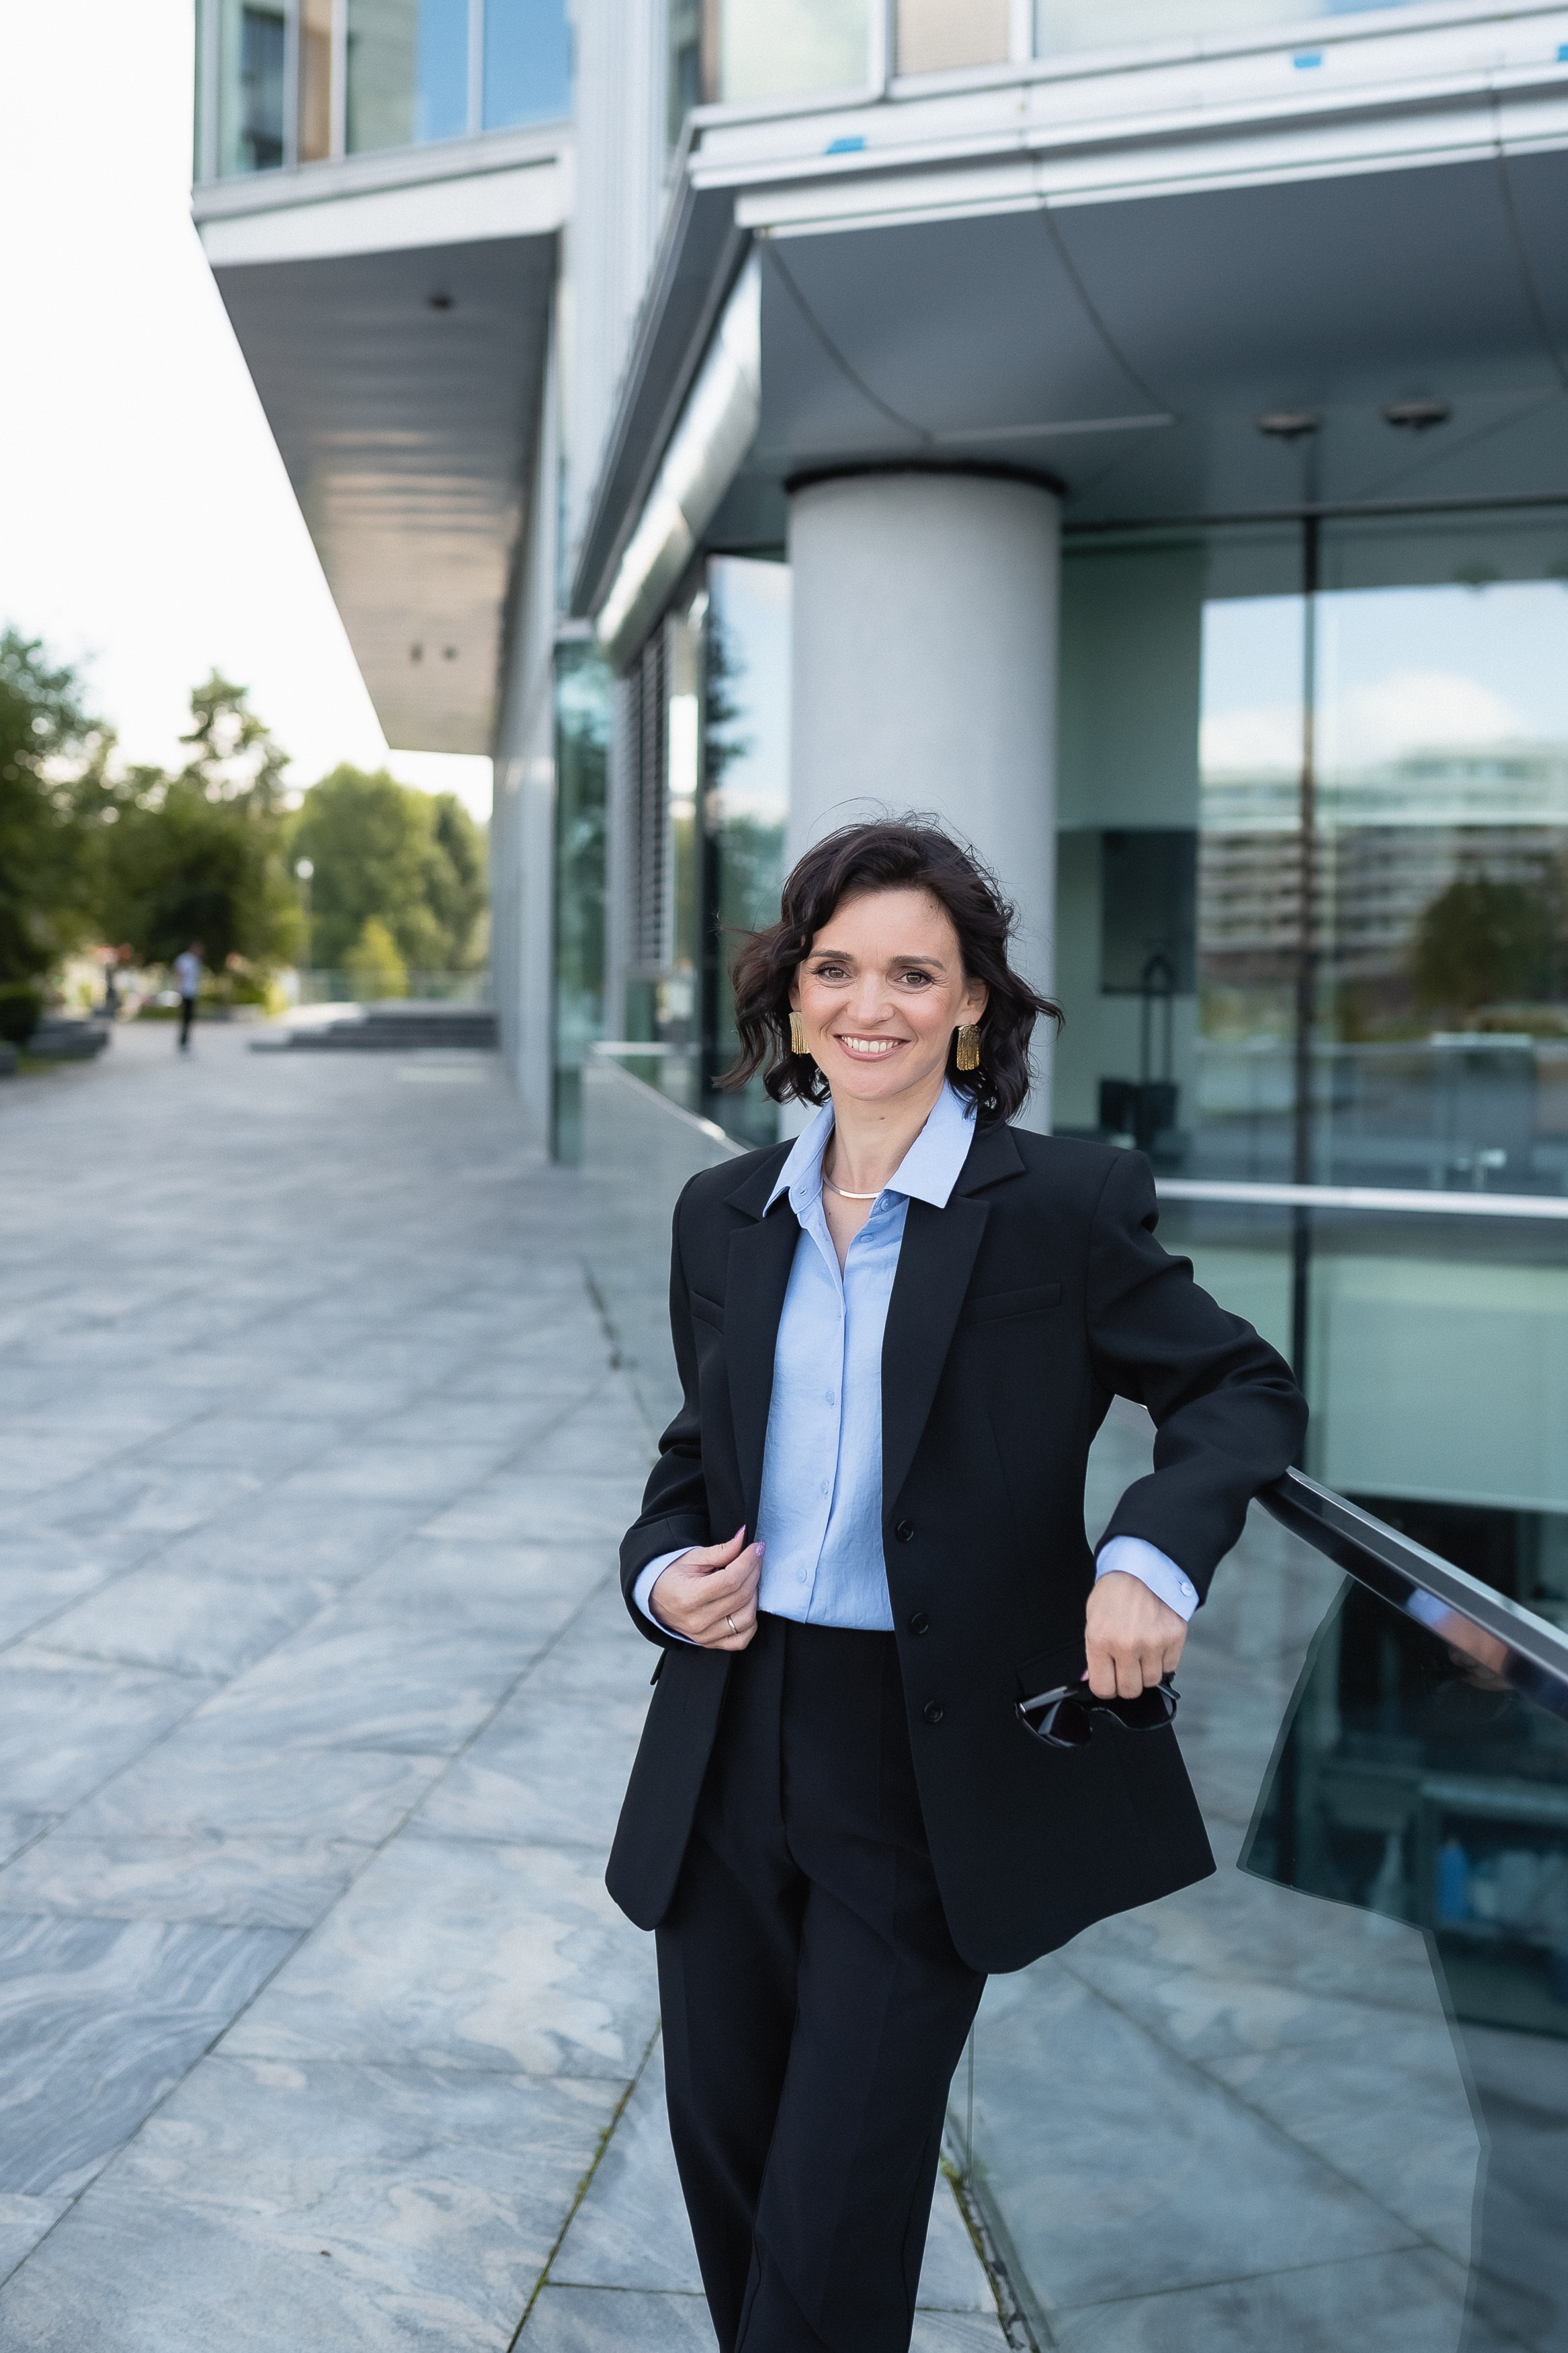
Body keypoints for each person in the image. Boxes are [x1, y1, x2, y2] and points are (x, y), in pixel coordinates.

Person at [606, 819, 1306, 2353]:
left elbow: (1239, 1391)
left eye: (914, 974)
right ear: (793, 996)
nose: (871, 1004)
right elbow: (694, 1463)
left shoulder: (1060, 1207)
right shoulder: (720, 1214)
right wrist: (660, 1577)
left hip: (926, 1765)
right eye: (835, 968)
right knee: (734, 2184)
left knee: (833, 2217)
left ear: (972, 1001)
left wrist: (1145, 1559)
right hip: (724, 1744)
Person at [173, 941, 203, 1052]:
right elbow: (179, 974)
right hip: (185, 992)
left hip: (192, 993)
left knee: (190, 1018)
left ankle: (185, 1041)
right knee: (185, 1018)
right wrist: (179, 992)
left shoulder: (196, 961)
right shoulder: (185, 959)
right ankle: (183, 1041)